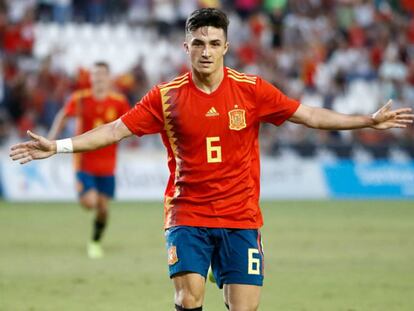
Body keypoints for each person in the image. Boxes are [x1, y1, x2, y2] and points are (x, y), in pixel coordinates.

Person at [10, 8, 414, 311]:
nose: (206, 51)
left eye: (214, 43)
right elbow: (115, 130)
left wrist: (367, 121)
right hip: (188, 214)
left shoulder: (252, 90)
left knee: (246, 306)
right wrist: (58, 146)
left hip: (241, 217)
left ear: (226, 46)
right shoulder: (166, 97)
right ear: (186, 46)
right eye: (198, 43)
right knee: (189, 298)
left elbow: (309, 115)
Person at [47, 61, 130, 259]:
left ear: (109, 77)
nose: (99, 78)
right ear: (90, 78)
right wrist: (51, 138)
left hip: (108, 165)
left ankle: (95, 242)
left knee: (102, 209)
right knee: (90, 202)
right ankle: (81, 190)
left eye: (103, 74)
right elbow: (63, 116)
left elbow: (130, 122)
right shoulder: (80, 99)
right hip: (84, 162)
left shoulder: (118, 101)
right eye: (95, 74)